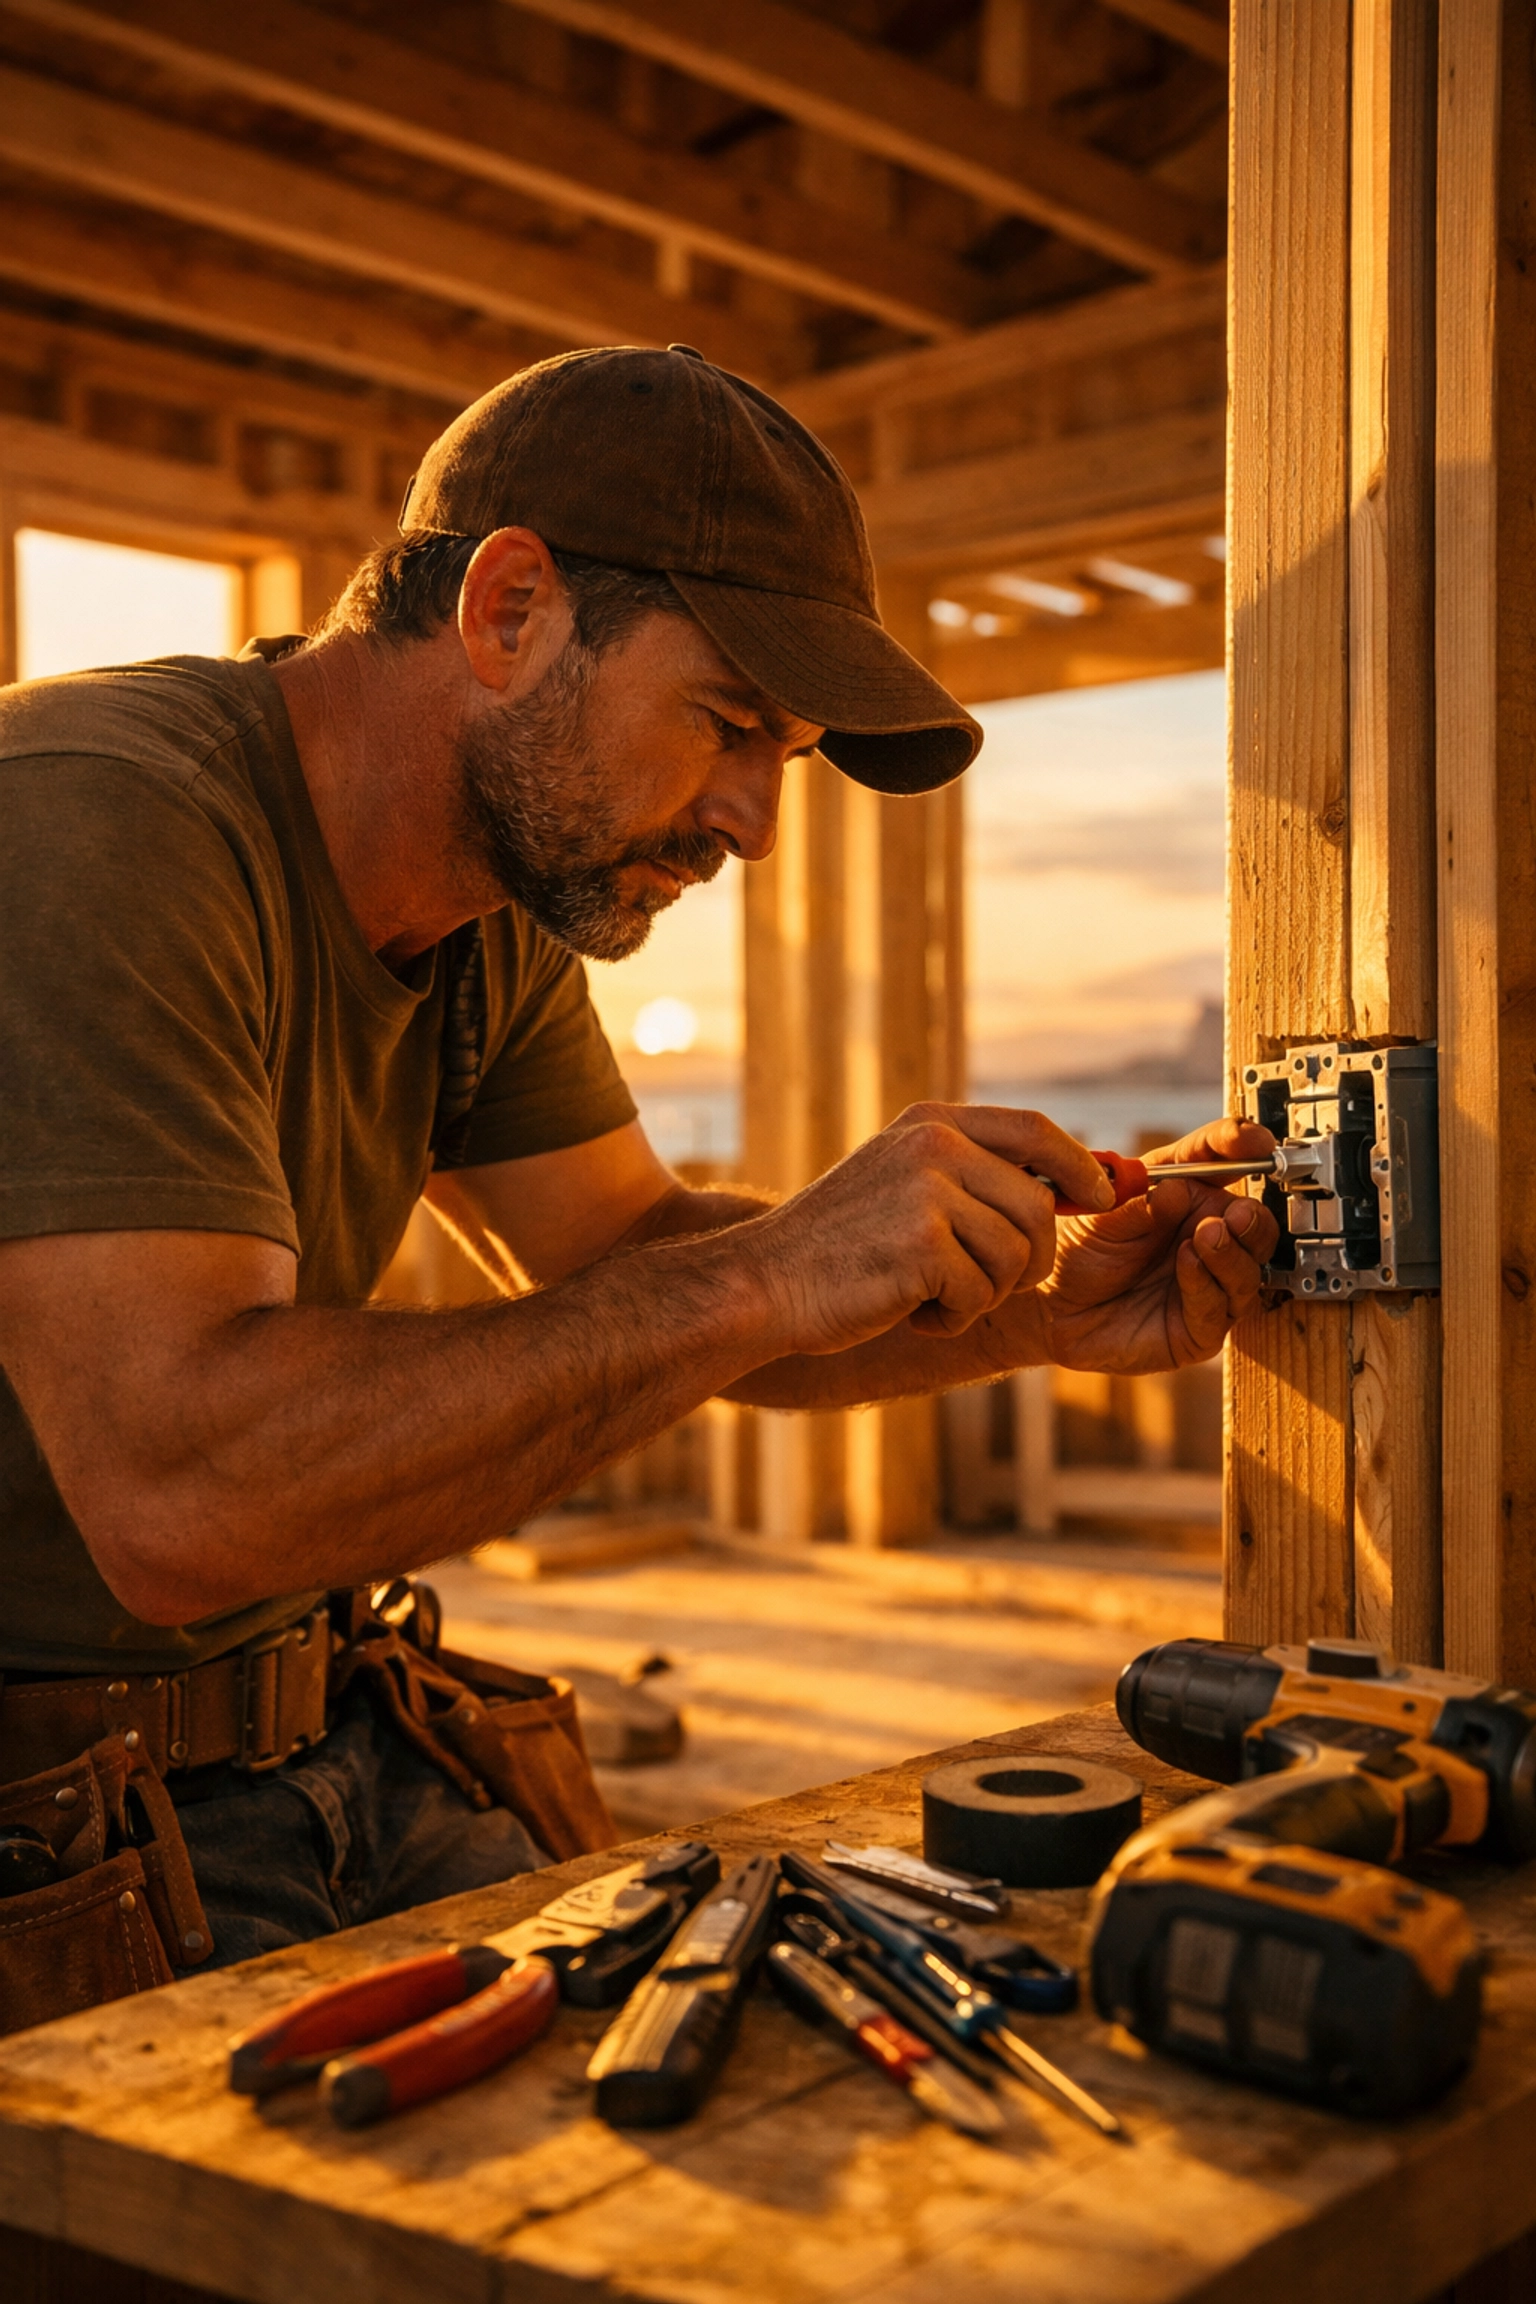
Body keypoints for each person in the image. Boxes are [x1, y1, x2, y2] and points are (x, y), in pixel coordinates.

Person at [0, 344, 1277, 2010]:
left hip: (329, 1738)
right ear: (510, 608)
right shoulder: (95, 824)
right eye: (729, 725)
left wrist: (1027, 1304)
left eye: (787, 756)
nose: (753, 823)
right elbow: (180, 1496)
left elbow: (637, 1256)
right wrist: (769, 1264)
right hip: (43, 1828)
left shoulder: (485, 907)